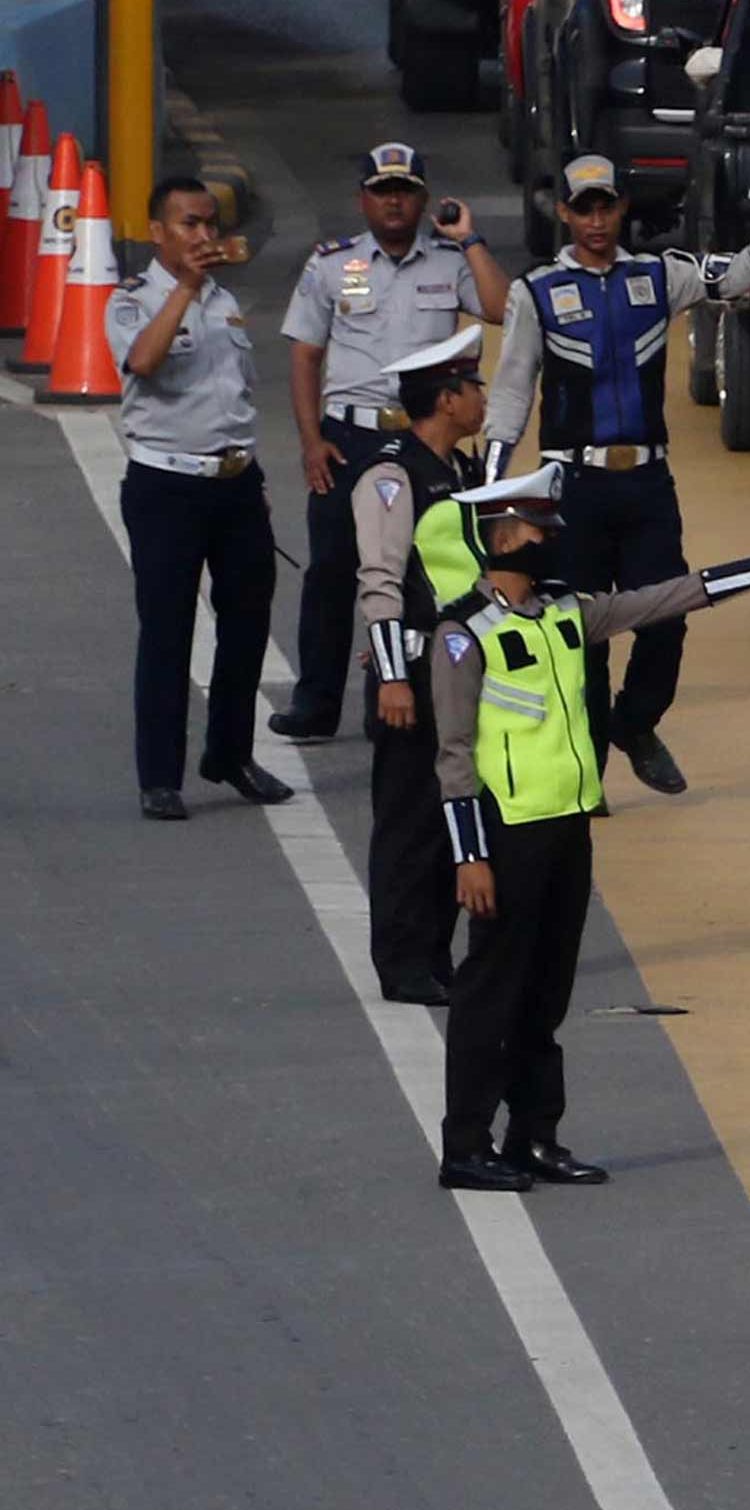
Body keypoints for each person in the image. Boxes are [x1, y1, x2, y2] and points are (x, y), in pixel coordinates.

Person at [429, 466, 750, 1191]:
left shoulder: (565, 612)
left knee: (546, 994)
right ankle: (466, 1144)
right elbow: (453, 755)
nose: (553, 541)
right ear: (506, 537)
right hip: (506, 834)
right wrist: (469, 857)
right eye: (541, 530)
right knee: (491, 993)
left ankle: (533, 1136)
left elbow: (659, 601)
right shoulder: (464, 634)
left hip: (567, 830)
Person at [485, 153, 750, 799]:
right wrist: (493, 493)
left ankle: (636, 724)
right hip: (571, 487)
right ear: (562, 212)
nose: (595, 219)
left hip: (646, 484)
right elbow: (510, 394)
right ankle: (584, 772)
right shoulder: (534, 293)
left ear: (621, 210)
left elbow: (745, 276)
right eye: (582, 207)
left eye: (605, 206)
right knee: (577, 632)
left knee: (667, 616)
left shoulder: (661, 275)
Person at [270, 142, 508, 744]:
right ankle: (316, 702)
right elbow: (305, 357)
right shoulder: (331, 264)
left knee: (417, 570)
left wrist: (470, 239)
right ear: (363, 199)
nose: (394, 200)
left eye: (404, 190)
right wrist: (310, 441)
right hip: (348, 437)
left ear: (424, 199)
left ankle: (401, 692)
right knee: (332, 570)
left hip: (424, 437)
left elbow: (502, 308)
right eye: (382, 190)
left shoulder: (449, 262)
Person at [108, 176, 294, 822]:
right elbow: (144, 362)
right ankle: (160, 776)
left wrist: (254, 477)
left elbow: (234, 400)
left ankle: (231, 754)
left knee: (247, 625)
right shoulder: (133, 300)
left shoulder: (224, 301)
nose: (203, 236)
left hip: (235, 483)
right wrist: (183, 289)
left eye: (210, 224)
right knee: (168, 632)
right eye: (189, 224)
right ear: (158, 232)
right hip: (167, 486)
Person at [352, 326, 491, 1006]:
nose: (482, 398)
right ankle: (403, 962)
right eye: (473, 387)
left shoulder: (460, 471)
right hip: (409, 670)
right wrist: (393, 677)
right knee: (408, 824)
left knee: (446, 821)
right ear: (447, 398)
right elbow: (380, 579)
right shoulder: (392, 475)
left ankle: (434, 953)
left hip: (453, 670)